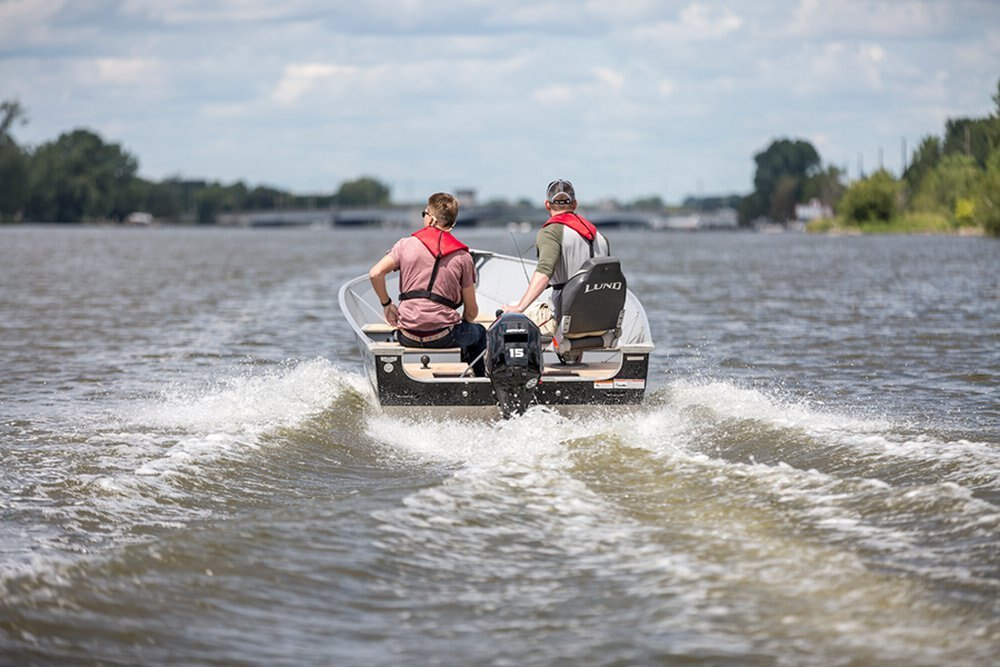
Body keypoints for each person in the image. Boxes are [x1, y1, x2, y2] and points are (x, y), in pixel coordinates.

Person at [369, 192, 488, 377]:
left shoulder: (404, 245)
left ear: (431, 219)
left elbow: (375, 273)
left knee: (397, 333)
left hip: (407, 336)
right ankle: (478, 381)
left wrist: (387, 304)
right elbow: (472, 312)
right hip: (446, 336)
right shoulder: (463, 257)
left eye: (424, 214)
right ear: (452, 223)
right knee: (479, 333)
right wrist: (462, 321)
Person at [501, 179, 611, 338]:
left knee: (509, 310)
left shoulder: (551, 232)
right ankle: (574, 355)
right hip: (602, 323)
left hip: (566, 323)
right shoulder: (600, 236)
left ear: (547, 205)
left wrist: (519, 307)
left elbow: (544, 271)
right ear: (575, 204)